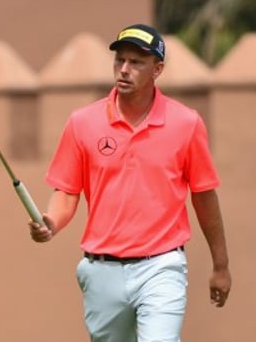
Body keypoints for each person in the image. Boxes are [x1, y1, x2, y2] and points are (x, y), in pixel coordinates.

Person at [28, 23, 231, 342]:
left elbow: (204, 195)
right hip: (102, 270)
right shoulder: (83, 123)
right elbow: (67, 191)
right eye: (119, 60)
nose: (124, 69)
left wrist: (221, 265)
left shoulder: (185, 123)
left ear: (157, 69)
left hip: (162, 265)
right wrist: (51, 222)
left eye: (136, 62)